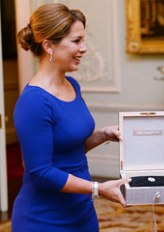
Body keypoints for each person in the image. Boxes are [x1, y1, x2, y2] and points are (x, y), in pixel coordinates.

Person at [12, 3, 129, 232]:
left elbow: (69, 149)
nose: (84, 48)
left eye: (83, 40)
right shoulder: (34, 101)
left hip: (81, 211)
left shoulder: (72, 85)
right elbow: (40, 172)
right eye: (76, 41)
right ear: (48, 45)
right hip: (44, 219)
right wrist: (99, 188)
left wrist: (103, 134)